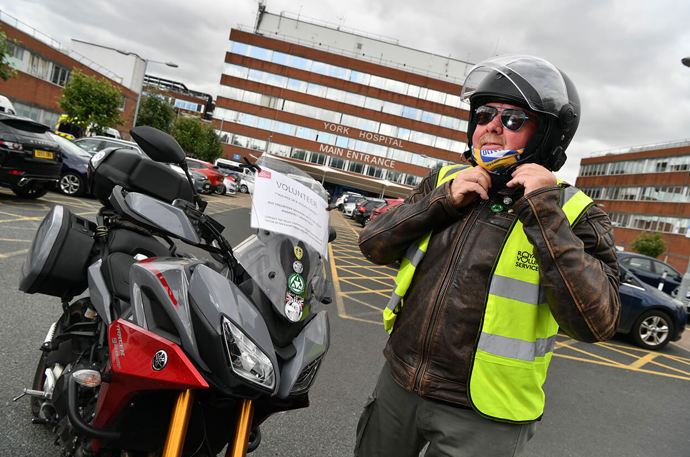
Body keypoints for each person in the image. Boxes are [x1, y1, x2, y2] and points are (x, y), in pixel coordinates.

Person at [355, 55, 621, 457]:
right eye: (484, 114)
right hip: (400, 381)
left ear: (547, 135)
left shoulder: (575, 212)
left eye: (514, 119)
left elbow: (596, 322)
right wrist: (440, 203)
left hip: (486, 413)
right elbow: (372, 244)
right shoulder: (443, 181)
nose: (492, 126)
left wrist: (544, 213)